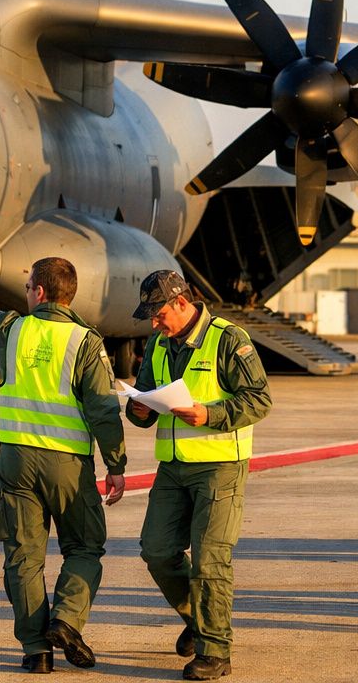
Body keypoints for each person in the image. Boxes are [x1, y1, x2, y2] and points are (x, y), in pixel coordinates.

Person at [0, 258, 127, 674]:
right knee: (84, 547)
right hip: (67, 464)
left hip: (16, 461)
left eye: (29, 285)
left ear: (41, 293)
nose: (26, 290)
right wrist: (116, 463)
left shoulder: (12, 329)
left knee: (23, 557)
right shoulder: (84, 341)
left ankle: (37, 651)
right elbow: (103, 409)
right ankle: (66, 621)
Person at [125, 269, 271, 681]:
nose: (154, 323)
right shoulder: (157, 344)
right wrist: (137, 409)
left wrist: (211, 414)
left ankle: (215, 652)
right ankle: (198, 618)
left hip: (219, 465)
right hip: (173, 467)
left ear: (182, 303)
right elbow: (146, 397)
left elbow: (259, 399)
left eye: (158, 314)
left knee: (210, 559)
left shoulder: (228, 339)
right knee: (155, 550)